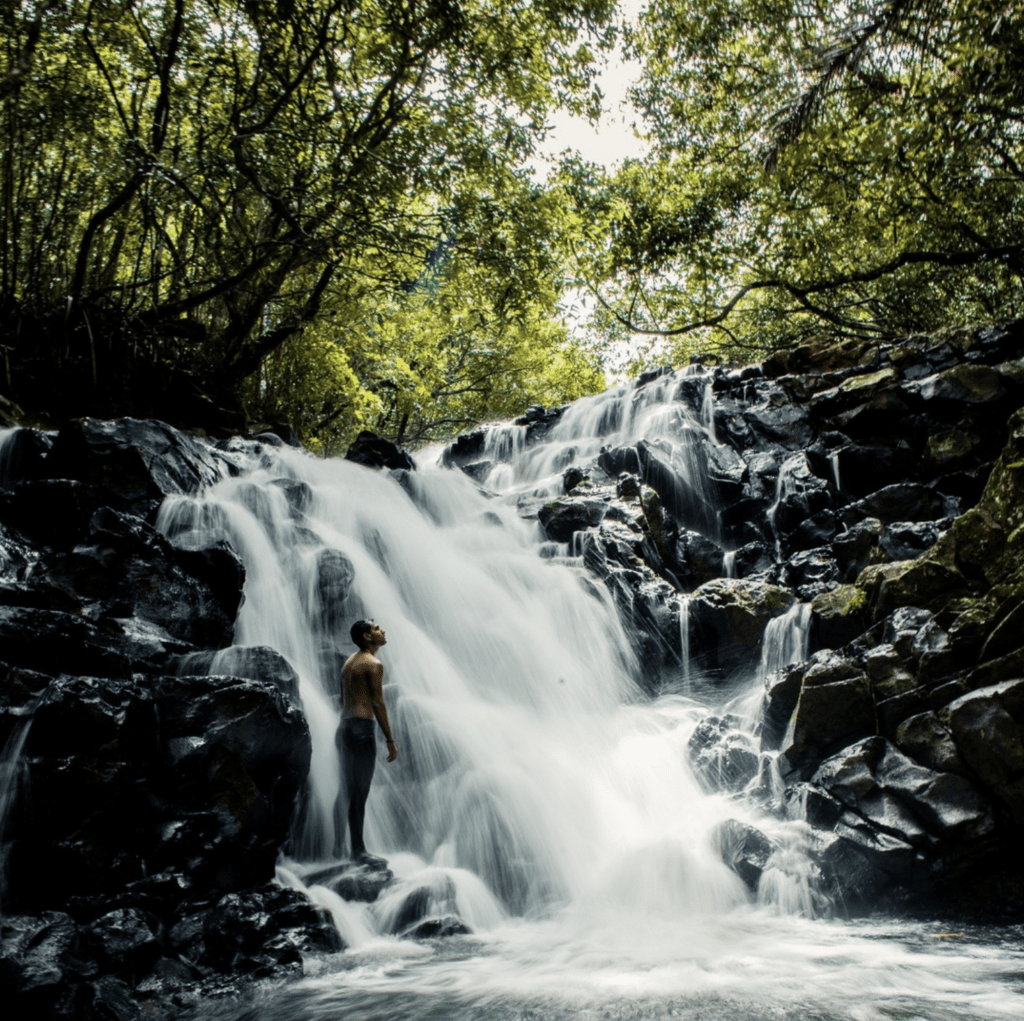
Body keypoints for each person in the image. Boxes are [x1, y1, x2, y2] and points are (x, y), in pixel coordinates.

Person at [332, 618, 397, 864]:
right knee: (360, 792)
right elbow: (378, 703)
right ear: (367, 637)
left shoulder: (348, 663)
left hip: (344, 728)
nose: (382, 630)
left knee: (345, 789)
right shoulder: (373, 664)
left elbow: (342, 700)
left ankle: (339, 845)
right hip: (361, 729)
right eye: (376, 628)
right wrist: (390, 739)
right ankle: (358, 851)